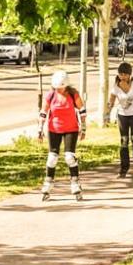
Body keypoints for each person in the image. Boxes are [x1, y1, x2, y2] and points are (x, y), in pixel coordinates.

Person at [37, 70, 86, 201]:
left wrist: (84, 127)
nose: (59, 89)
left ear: (66, 85)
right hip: (54, 129)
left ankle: (75, 183)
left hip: (71, 129)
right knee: (52, 158)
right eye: (57, 87)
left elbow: (82, 110)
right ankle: (48, 183)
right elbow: (43, 111)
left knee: (69, 157)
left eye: (61, 87)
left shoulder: (73, 94)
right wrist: (40, 128)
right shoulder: (51, 95)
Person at [111, 62, 133, 178]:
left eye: (125, 74)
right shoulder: (116, 86)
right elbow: (111, 101)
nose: (123, 77)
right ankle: (123, 168)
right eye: (121, 74)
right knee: (124, 141)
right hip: (122, 115)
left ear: (130, 75)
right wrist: (107, 112)